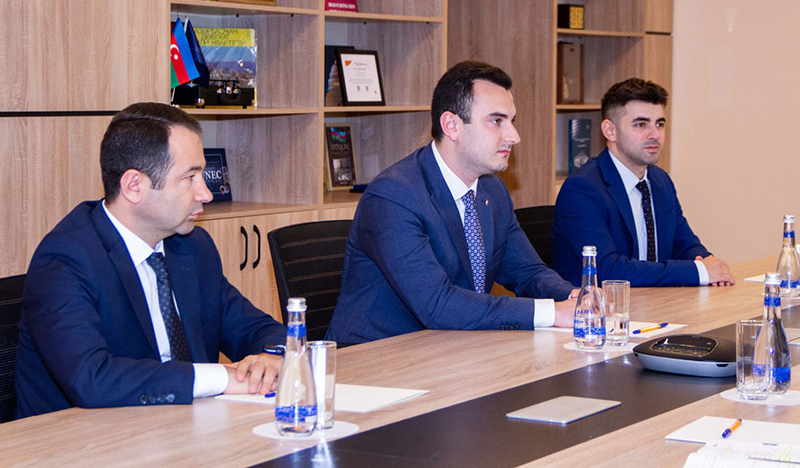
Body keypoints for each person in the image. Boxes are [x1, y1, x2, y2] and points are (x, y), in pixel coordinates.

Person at [15, 103, 286, 419]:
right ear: (134, 186)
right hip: (82, 437)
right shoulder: (66, 259)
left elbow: (256, 328)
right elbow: (91, 378)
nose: (206, 193)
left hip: (178, 427)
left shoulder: (192, 246)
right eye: (190, 177)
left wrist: (272, 356)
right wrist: (223, 378)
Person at [327, 61, 577, 345]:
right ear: (451, 126)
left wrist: (573, 297)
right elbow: (436, 304)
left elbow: (528, 272)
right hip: (376, 356)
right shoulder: (394, 196)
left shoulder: (492, 190)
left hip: (453, 346)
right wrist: (552, 312)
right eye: (497, 121)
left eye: (512, 121)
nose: (514, 136)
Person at [551, 78, 735, 288]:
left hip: (655, 302)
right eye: (641, 124)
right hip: (597, 306)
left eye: (659, 124)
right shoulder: (582, 189)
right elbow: (607, 270)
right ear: (610, 131)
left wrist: (710, 264)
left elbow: (685, 246)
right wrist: (699, 272)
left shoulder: (660, 181)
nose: (655, 135)